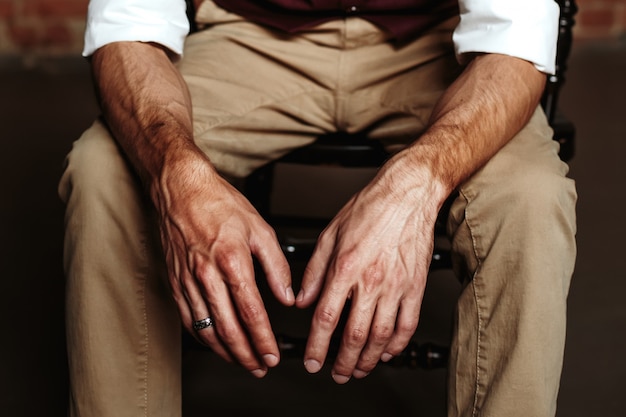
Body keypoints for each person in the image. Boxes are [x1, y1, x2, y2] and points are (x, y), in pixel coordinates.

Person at [58, 0, 577, 416]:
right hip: (247, 32)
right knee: (105, 172)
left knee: (530, 194)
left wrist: (415, 185)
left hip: (440, 44)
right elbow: (129, 25)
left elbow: (515, 37)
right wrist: (178, 177)